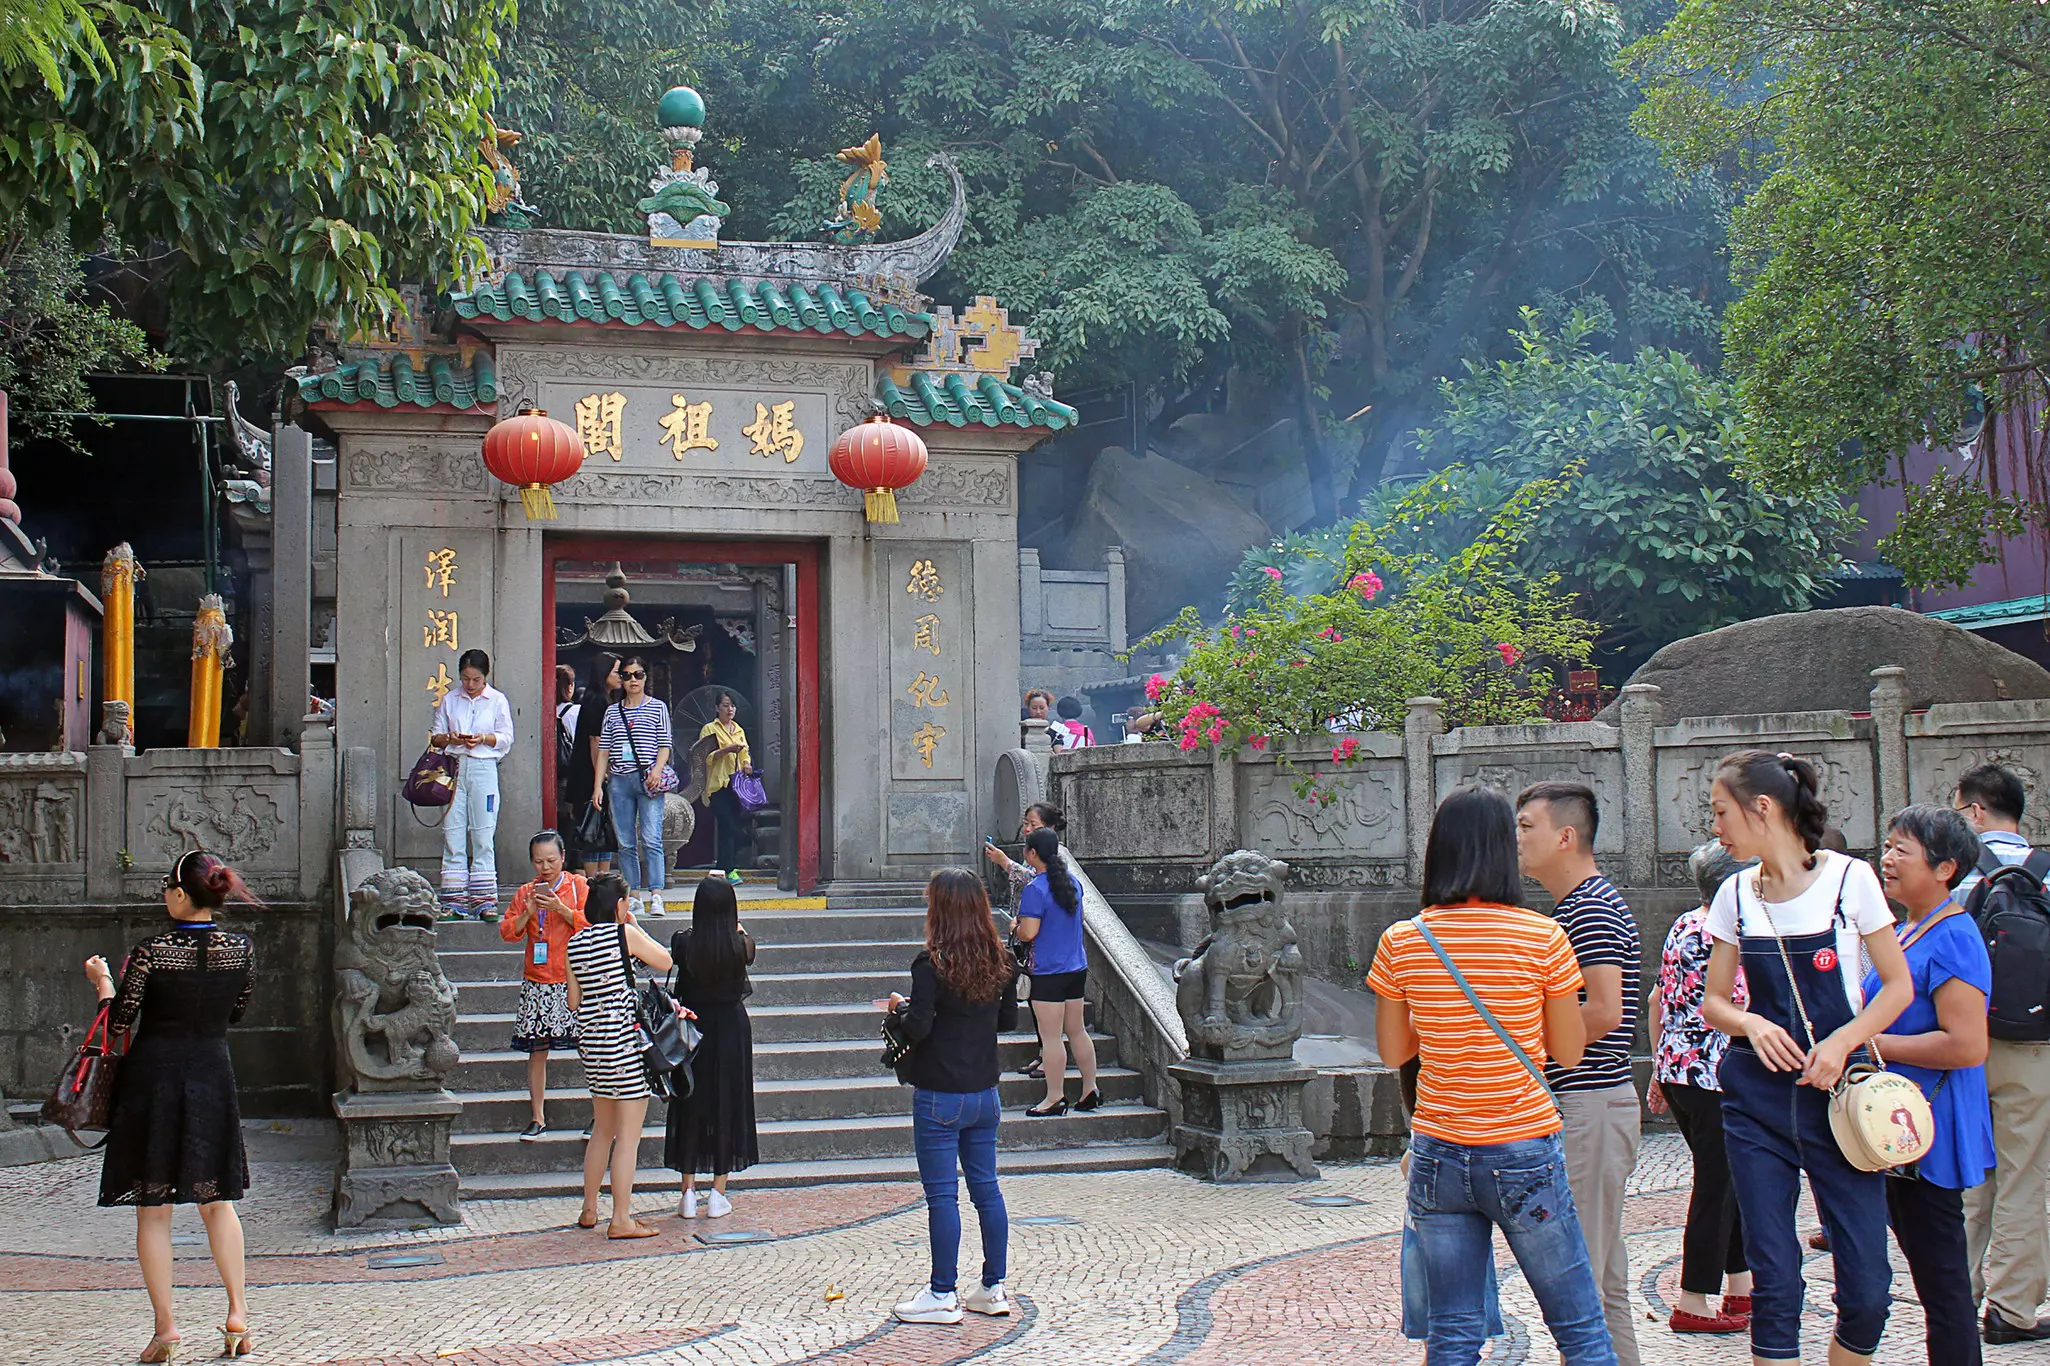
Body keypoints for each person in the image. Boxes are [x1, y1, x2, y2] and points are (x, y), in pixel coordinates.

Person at [1366, 786, 1614, 1365]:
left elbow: (1392, 1050)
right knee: (1578, 1327)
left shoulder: (1404, 941)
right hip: (1523, 1147)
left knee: (1453, 1334)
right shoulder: (1543, 937)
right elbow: (1570, 1052)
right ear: (1505, 850)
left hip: (1440, 1153)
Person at [1701, 749, 1913, 1366]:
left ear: (1761, 808)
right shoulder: (1734, 894)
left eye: (1721, 813)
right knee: (1774, 1282)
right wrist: (1751, 1022)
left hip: (1838, 1098)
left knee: (1870, 1287)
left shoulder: (1852, 879)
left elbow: (1897, 986)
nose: (1716, 828)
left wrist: (1843, 1042)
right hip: (1756, 1099)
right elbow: (1715, 1002)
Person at [84, 849, 259, 1361]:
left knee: (153, 1210)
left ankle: (166, 1329)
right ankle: (237, 1316)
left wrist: (103, 986)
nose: (163, 894)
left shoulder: (153, 950)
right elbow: (239, 1012)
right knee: (218, 1201)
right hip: (211, 1072)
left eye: (166, 886)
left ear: (182, 893)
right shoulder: (241, 948)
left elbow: (120, 1021)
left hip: (155, 1077)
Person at [1514, 781, 1643, 1366]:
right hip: (1594, 1101)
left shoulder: (1587, 907)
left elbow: (1602, 1010)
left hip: (1588, 1103)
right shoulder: (1575, 906)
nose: (1516, 839)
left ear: (1565, 836)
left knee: (1579, 1283)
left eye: (1526, 826)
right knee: (1603, 1279)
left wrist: (1524, 1054)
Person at [1871, 803, 1996, 1365]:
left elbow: (1967, 1044)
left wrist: (1874, 1047)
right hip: (1896, 1125)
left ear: (1944, 868)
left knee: (1945, 1290)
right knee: (1932, 1283)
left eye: (1903, 849)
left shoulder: (1954, 936)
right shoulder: (1903, 928)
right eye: (1888, 845)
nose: (1887, 858)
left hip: (1929, 1132)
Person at [884, 867, 1019, 1324]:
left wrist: (899, 1008)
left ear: (939, 910)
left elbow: (919, 1026)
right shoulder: (1000, 959)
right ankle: (992, 1286)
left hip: (941, 1093)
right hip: (985, 1092)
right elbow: (1008, 1022)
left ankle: (943, 1292)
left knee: (943, 1196)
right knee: (987, 1191)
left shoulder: (932, 963)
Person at [1951, 762, 2050, 1344]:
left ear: (1977, 810)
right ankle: (2012, 1309)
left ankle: (1954, 1292)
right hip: (2033, 1049)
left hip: (1963, 1047)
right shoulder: (2046, 874)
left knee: (1970, 1174)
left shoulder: (1953, 873)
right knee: (2023, 1176)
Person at [1647, 841, 1754, 1333]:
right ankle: (1692, 1300)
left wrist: (1656, 1068)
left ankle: (1741, 1290)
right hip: (1716, 1073)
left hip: (1681, 1071)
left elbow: (1659, 999)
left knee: (1727, 1180)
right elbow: (1743, 1007)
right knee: (1717, 1184)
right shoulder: (1729, 933)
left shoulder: (1684, 924)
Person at [566, 872, 678, 1238]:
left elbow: (572, 1000)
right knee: (628, 1135)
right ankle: (621, 1219)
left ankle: (588, 1208)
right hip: (624, 1041)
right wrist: (634, 926)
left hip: (593, 1040)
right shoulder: (623, 934)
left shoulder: (575, 942)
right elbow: (664, 961)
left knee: (602, 1128)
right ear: (619, 905)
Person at [667, 875, 759, 1218]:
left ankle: (687, 1190)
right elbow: (747, 945)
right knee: (727, 1105)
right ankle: (718, 1192)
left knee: (690, 1105)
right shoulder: (740, 945)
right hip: (732, 1030)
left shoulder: (683, 943)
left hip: (692, 1031)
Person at [501, 831, 590, 1140]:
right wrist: (528, 913)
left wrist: (561, 910)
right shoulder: (526, 892)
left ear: (563, 858)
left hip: (574, 979)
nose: (545, 867)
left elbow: (595, 925)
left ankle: (599, 1113)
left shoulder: (579, 887)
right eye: (539, 861)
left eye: (551, 860)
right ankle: (538, 1117)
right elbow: (508, 932)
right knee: (537, 1051)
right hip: (538, 978)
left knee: (590, 1048)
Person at [1015, 826, 1098, 1115]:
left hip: (1049, 971)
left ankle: (1054, 1097)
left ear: (1032, 853)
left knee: (1051, 1037)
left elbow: (1028, 933)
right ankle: (1089, 1089)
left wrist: (1015, 927)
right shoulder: (1073, 882)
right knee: (1077, 1031)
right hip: (1076, 967)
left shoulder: (1035, 890)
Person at [430, 648, 514, 919]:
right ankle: (453, 900)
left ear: (485, 677)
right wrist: (451, 738)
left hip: (482, 767)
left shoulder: (497, 700)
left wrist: (483, 738)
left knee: (482, 832)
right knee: (453, 831)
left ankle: (484, 900)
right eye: (465, 678)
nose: (470, 684)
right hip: (454, 766)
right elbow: (436, 736)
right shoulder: (450, 699)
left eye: (476, 679)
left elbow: (505, 737)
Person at [982, 802, 1064, 1080]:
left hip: (1043, 949)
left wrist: (1006, 863)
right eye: (1026, 823)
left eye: (1034, 825)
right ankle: (1043, 1056)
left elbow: (1036, 881)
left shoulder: (1054, 862)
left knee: (1050, 1016)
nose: (1027, 830)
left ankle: (1051, 1072)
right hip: (1035, 948)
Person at [596, 656, 672, 917]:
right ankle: (634, 895)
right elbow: (603, 751)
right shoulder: (612, 711)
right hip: (619, 780)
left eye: (638, 675)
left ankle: (657, 895)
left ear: (645, 677)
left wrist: (657, 770)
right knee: (626, 842)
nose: (632, 680)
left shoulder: (658, 707)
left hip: (648, 779)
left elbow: (665, 744)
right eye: (627, 675)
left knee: (652, 838)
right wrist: (598, 786)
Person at [566, 653, 622, 877]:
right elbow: (596, 741)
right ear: (604, 673)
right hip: (590, 775)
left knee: (603, 829)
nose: (621, 677)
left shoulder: (604, 699)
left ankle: (603, 878)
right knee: (592, 829)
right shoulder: (596, 700)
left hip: (594, 773)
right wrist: (603, 775)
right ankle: (593, 882)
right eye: (617, 671)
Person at [699, 691, 752, 876]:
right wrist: (726, 750)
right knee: (727, 824)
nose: (729, 710)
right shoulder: (709, 729)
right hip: (718, 785)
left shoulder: (738, 729)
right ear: (717, 708)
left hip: (736, 785)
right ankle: (729, 869)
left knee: (731, 826)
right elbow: (704, 757)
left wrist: (747, 764)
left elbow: (745, 753)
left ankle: (723, 867)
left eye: (732, 706)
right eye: (725, 705)